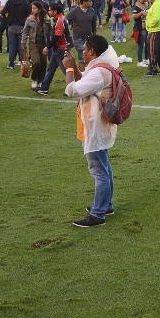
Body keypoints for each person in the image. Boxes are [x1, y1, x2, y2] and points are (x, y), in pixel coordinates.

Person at [63, 35, 119, 227]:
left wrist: (69, 68)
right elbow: (83, 82)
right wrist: (76, 68)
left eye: (85, 49)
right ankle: (107, 205)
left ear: (92, 52)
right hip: (102, 124)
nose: (83, 52)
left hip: (96, 126)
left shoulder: (98, 72)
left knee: (99, 170)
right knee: (104, 166)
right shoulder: (102, 66)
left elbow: (71, 90)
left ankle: (98, 214)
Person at [37, 2, 71, 95]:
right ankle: (44, 88)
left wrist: (47, 47)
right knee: (51, 68)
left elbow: (57, 37)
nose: (48, 12)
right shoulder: (60, 18)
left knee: (66, 70)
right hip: (59, 48)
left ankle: (73, 88)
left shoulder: (60, 21)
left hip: (61, 48)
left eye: (50, 10)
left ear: (55, 11)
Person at [23, 0, 49, 91]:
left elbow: (50, 30)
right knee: (36, 62)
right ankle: (34, 79)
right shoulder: (30, 19)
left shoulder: (46, 18)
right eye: (32, 8)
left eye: (34, 8)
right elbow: (25, 31)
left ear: (39, 9)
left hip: (43, 42)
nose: (33, 10)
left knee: (43, 62)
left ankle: (41, 80)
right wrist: (23, 42)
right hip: (33, 42)